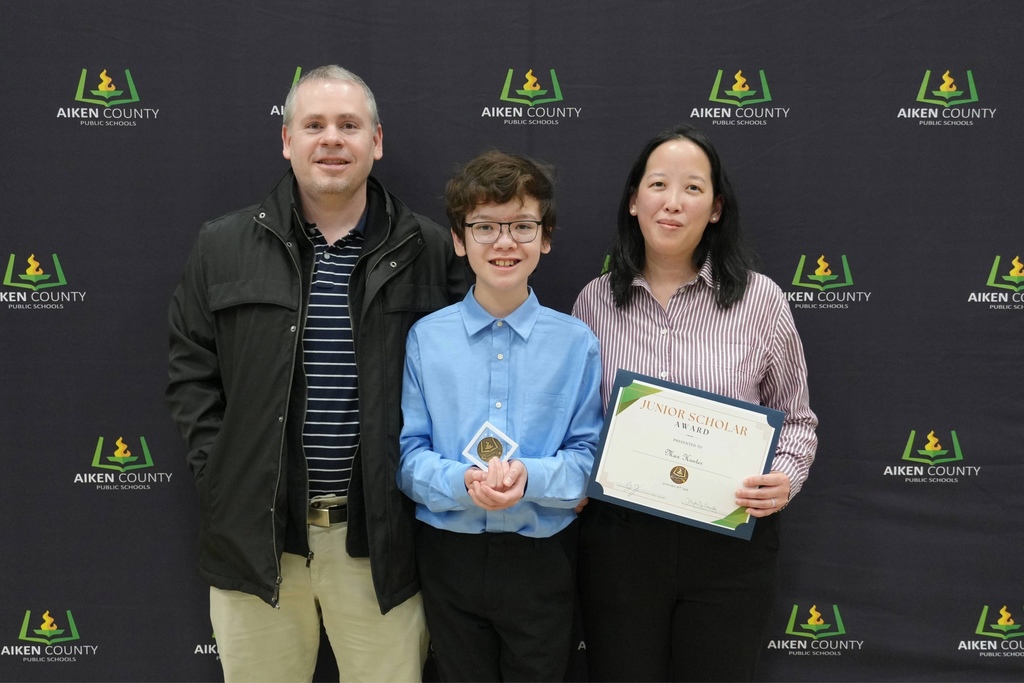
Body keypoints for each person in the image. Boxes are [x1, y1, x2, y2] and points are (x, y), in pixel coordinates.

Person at [166, 64, 468, 682]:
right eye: (314, 125)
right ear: (287, 140)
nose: (332, 138)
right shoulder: (222, 246)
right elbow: (191, 370)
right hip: (258, 542)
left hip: (381, 544)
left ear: (376, 142)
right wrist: (222, 474)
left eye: (349, 125)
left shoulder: (430, 249)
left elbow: (465, 378)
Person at [571, 123, 818, 682]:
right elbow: (578, 420)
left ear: (716, 208)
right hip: (621, 543)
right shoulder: (594, 302)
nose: (673, 202)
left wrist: (784, 479)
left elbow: (798, 420)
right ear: (633, 201)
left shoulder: (760, 300)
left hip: (729, 543)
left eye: (693, 188)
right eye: (658, 184)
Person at [397, 150, 603, 681]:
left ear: (546, 237)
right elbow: (409, 456)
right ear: (459, 239)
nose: (505, 242)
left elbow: (589, 457)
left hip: (543, 556)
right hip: (449, 554)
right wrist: (460, 481)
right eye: (485, 226)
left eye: (522, 226)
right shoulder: (426, 339)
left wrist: (530, 477)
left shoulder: (577, 343)